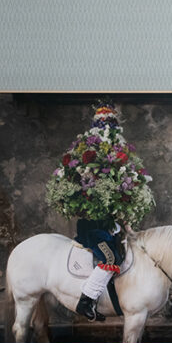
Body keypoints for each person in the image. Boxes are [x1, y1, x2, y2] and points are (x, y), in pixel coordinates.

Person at [46, 102, 155, 322]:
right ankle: (86, 300)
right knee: (110, 257)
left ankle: (103, 304)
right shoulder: (88, 161)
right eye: (105, 122)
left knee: (122, 257)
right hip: (93, 229)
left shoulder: (116, 161)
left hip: (109, 228)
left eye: (110, 123)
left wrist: (125, 219)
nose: (108, 127)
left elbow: (117, 203)